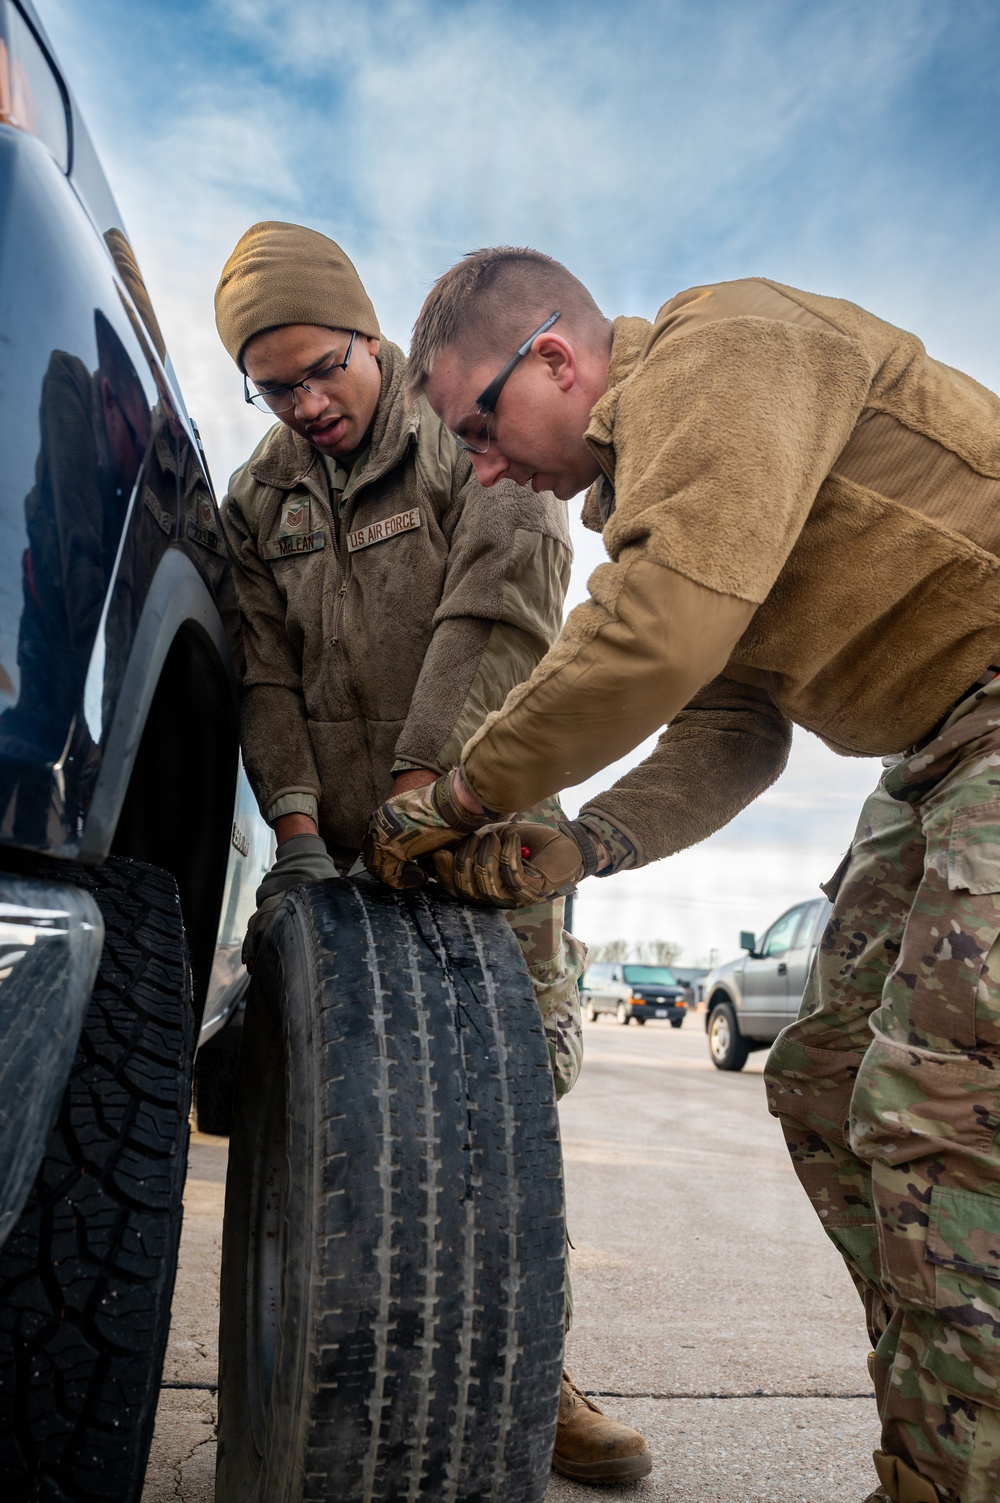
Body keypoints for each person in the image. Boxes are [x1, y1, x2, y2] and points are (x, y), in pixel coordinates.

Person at [364, 246, 1000, 1503]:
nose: (482, 469)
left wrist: (457, 793)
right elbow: (732, 727)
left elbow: (658, 631)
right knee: (820, 1083)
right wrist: (585, 840)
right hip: (933, 740)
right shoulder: (671, 490)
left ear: (553, 357)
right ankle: (950, 1440)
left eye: (478, 428)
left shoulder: (725, 349)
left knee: (936, 1119)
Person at [213, 222, 652, 1484]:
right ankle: (348, 1369)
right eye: (275, 386)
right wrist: (296, 831)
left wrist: (425, 790)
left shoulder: (471, 431)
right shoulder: (261, 496)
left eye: (323, 371)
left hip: (479, 836)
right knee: (340, 1115)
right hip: (340, 859)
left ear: (371, 338)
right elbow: (263, 671)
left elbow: (502, 606)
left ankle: (522, 1369)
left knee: (504, 1099)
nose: (307, 404)